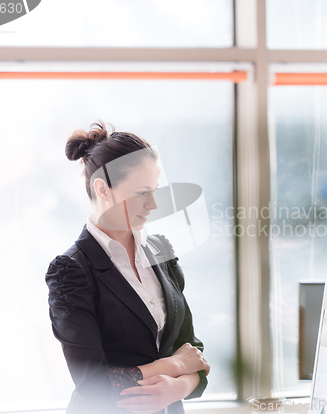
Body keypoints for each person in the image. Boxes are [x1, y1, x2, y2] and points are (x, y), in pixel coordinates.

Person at [45, 121, 209, 414]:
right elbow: (93, 384)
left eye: (155, 190)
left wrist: (177, 388)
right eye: (142, 192)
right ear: (102, 188)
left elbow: (194, 353)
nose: (153, 204)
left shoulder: (161, 250)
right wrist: (173, 365)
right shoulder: (70, 270)